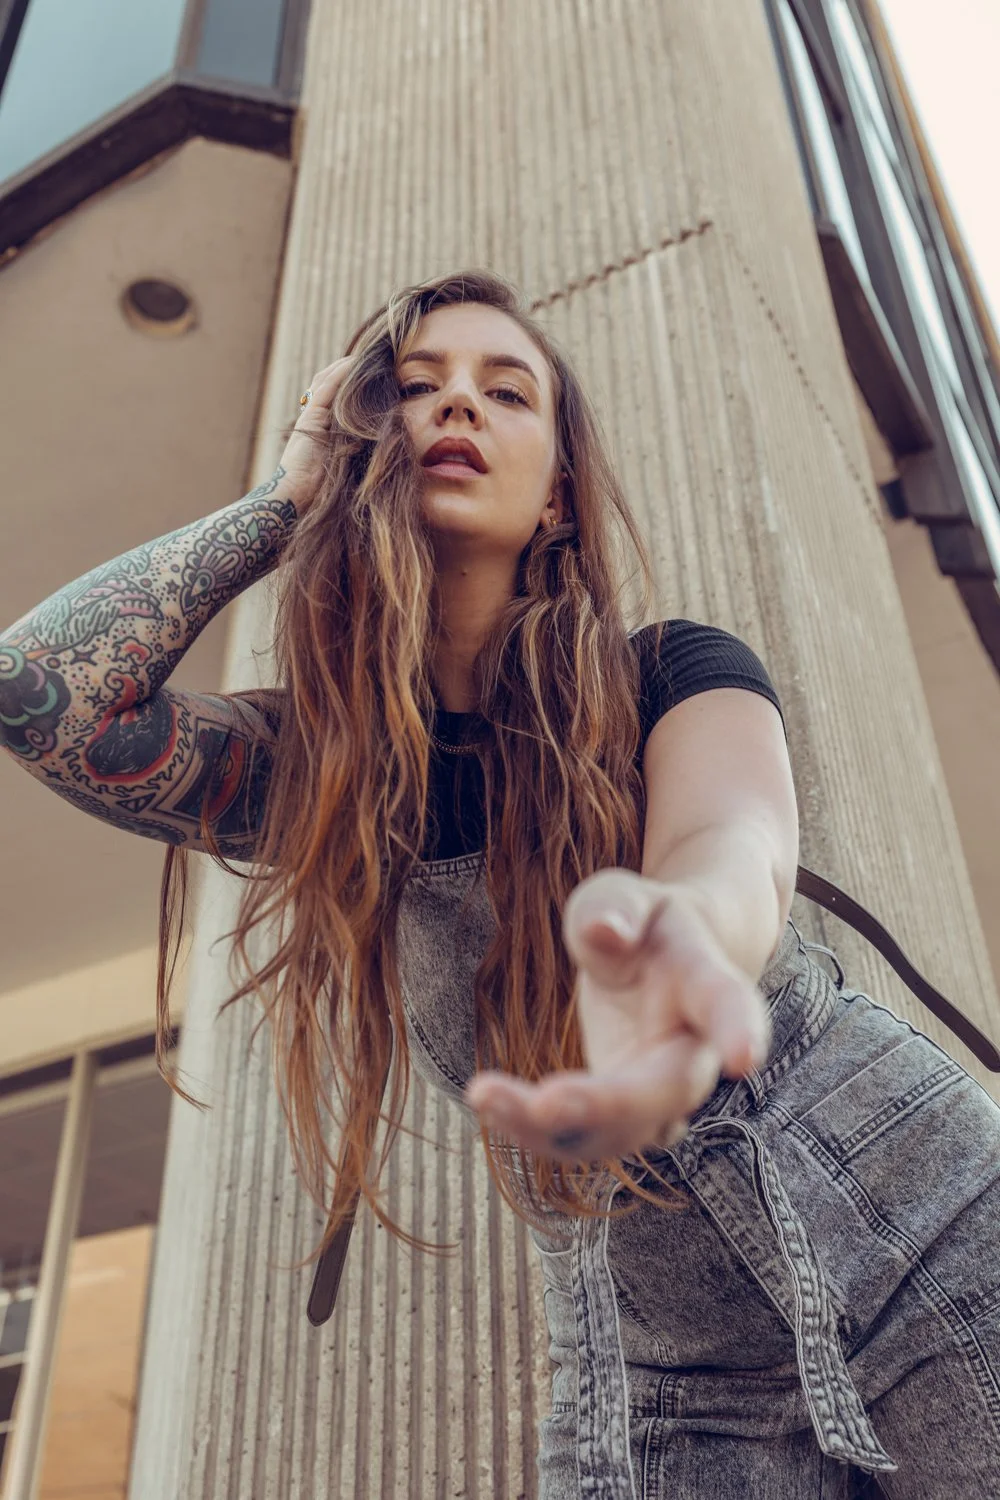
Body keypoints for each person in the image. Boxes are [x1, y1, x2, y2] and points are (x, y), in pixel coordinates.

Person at [2, 268, 999, 1498]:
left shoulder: (670, 670)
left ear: (560, 495)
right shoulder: (313, 775)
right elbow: (41, 692)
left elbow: (734, 837)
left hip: (931, 1216)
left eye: (504, 390)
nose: (457, 408)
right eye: (415, 391)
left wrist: (680, 936)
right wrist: (285, 496)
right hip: (661, 1370)